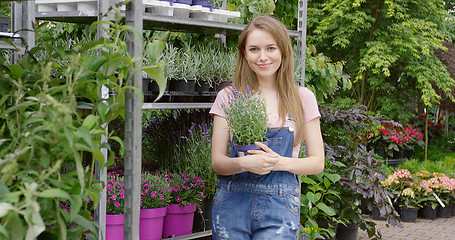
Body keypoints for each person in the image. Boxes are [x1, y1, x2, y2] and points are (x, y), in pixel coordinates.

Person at [209, 15, 325, 239]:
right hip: (232, 205)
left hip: (279, 207)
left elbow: (317, 163)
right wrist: (243, 162)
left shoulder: (302, 98)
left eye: (270, 48)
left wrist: (277, 162)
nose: (262, 57)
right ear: (244, 53)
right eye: (254, 49)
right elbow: (217, 163)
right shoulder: (228, 97)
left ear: (283, 51)